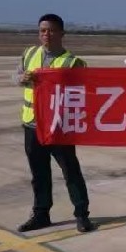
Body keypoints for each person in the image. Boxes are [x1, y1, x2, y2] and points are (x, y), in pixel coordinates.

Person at [14, 14, 95, 233]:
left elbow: (86, 91)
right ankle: (41, 214)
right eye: (42, 30)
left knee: (71, 171)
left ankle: (82, 215)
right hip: (32, 125)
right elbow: (16, 76)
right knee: (39, 174)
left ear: (61, 33)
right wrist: (21, 79)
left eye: (51, 30)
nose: (46, 35)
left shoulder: (72, 62)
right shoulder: (30, 54)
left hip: (59, 127)